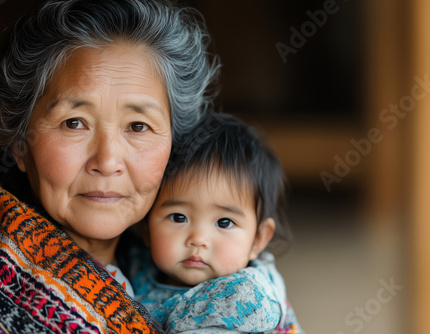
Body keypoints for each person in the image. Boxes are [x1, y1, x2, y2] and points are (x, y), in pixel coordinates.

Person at [0, 0, 219, 332]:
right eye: (74, 123)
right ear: (20, 143)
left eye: (138, 126)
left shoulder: (222, 280)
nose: (108, 161)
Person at [127, 113, 303, 333]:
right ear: (145, 226)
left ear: (258, 240)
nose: (198, 239)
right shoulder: (135, 262)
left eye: (224, 222)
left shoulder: (240, 300)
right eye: (178, 217)